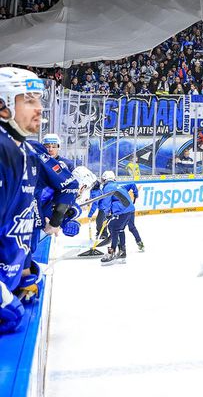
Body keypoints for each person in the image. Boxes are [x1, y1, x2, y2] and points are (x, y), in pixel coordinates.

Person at [0, 68, 78, 333]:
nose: (40, 108)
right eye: (30, 100)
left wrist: (23, 268)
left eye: (39, 100)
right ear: (3, 106)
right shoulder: (3, 151)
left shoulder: (25, 151)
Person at [94, 171, 135, 265]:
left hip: (122, 211)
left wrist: (107, 213)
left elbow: (106, 202)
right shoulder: (116, 185)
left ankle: (111, 252)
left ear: (104, 179)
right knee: (120, 230)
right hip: (129, 210)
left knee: (113, 229)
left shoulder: (108, 187)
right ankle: (122, 251)